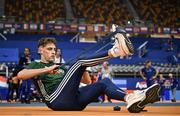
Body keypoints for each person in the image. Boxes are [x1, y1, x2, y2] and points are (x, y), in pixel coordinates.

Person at [17, 30, 160, 113]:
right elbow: (20, 75)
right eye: (49, 49)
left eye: (54, 49)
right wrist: (47, 69)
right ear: (40, 50)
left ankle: (130, 99)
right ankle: (116, 51)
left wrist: (84, 67)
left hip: (75, 102)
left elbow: (87, 82)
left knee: (103, 83)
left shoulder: (61, 66)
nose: (53, 52)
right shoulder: (36, 64)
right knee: (78, 61)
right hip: (56, 100)